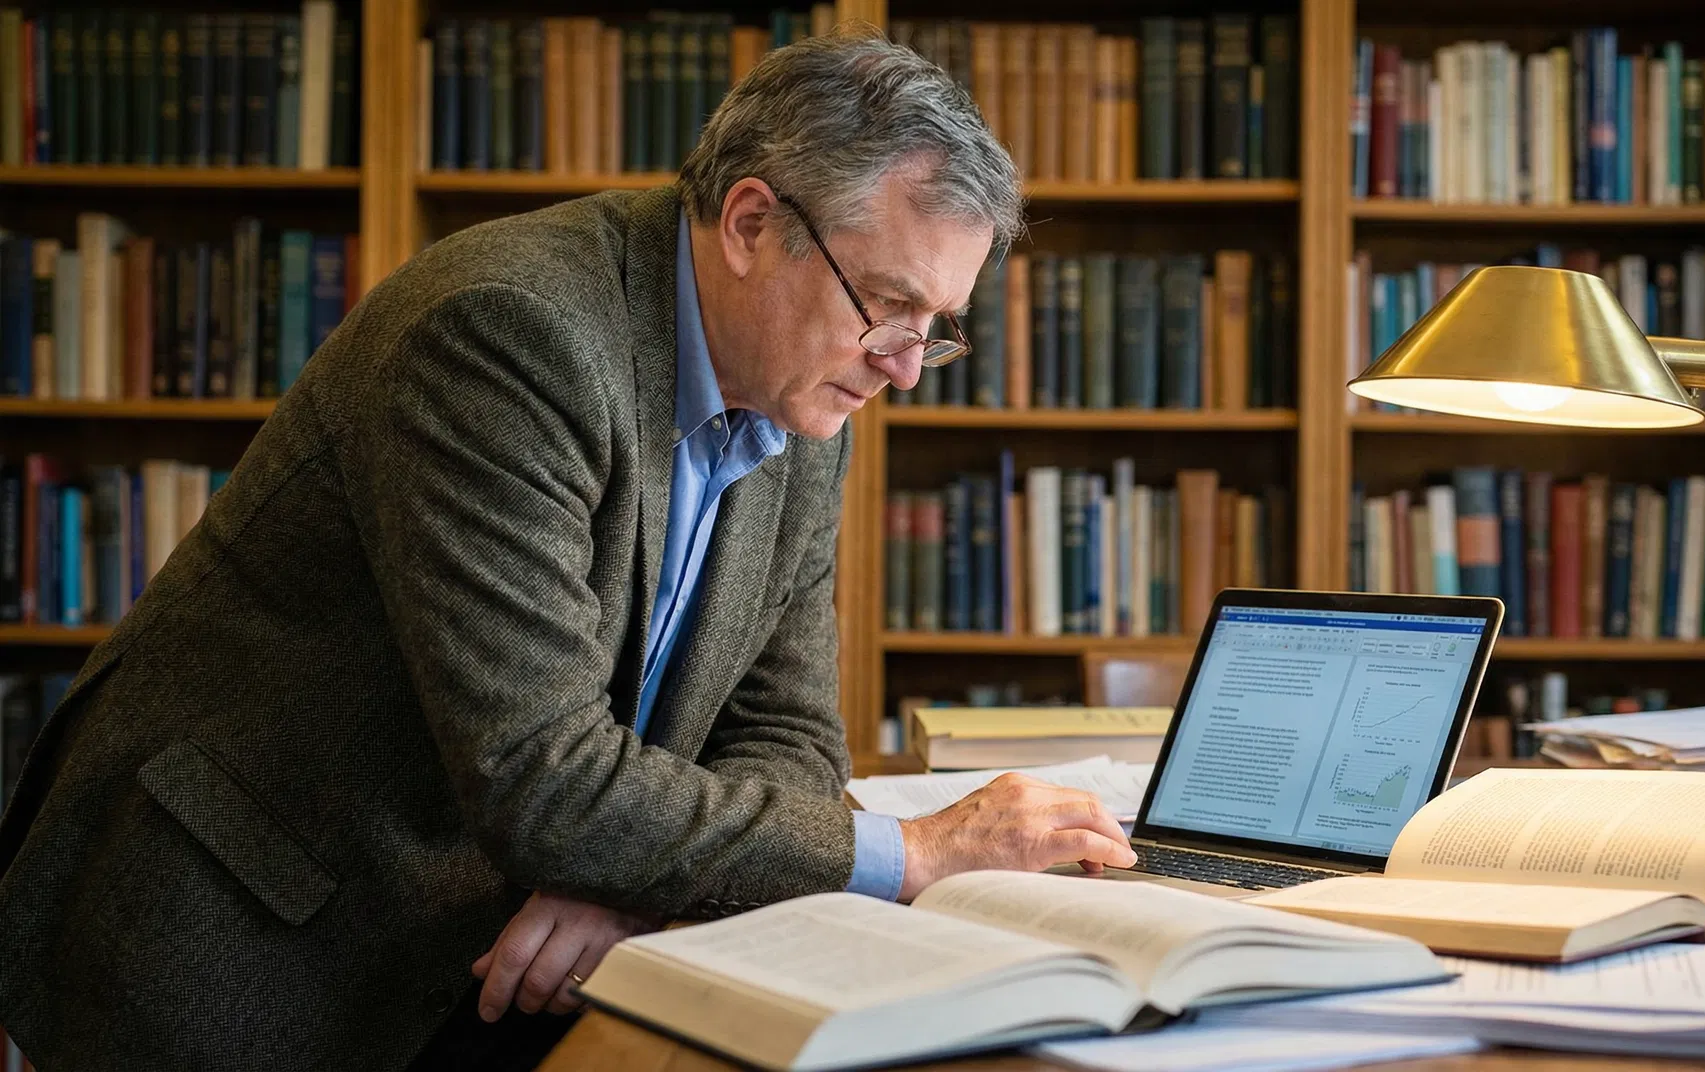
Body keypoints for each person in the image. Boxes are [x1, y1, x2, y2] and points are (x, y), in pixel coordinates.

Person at [0, 31, 1135, 1072]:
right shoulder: (508, 334)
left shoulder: (803, 397)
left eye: (935, 328)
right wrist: (917, 851)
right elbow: (540, 777)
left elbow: (785, 734)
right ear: (751, 225)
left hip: (488, 924)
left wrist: (635, 884)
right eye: (888, 305)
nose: (904, 365)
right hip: (249, 924)